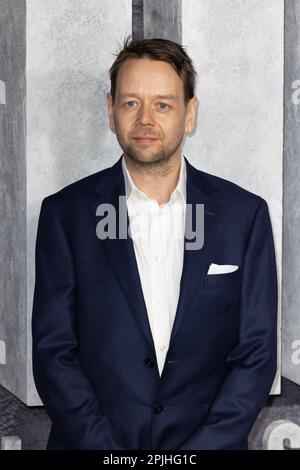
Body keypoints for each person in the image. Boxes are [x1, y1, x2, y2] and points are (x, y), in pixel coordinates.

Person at [32, 36, 278, 450]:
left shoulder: (244, 215)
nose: (145, 119)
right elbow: (54, 353)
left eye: (162, 104)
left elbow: (255, 354)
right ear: (110, 111)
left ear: (190, 114)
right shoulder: (65, 215)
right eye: (131, 103)